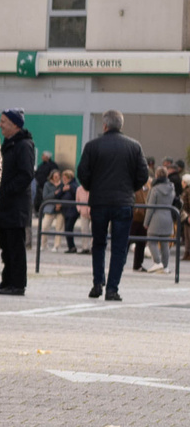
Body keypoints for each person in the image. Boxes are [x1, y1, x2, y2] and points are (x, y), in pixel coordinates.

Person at [78, 112, 150, 301]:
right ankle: (112, 289)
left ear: (104, 126)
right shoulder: (134, 146)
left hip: (99, 202)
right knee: (119, 247)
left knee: (98, 244)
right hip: (123, 203)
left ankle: (97, 284)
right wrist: (130, 189)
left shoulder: (92, 146)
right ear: (121, 124)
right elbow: (143, 175)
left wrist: (91, 187)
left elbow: (82, 172)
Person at [0, 108, 35, 297]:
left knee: (16, 246)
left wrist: (5, 190)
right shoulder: (8, 144)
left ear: (15, 125)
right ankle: (7, 279)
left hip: (16, 205)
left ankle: (17, 283)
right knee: (5, 244)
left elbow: (26, 175)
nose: (0, 125)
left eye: (4, 121)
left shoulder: (23, 145)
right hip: (5, 205)